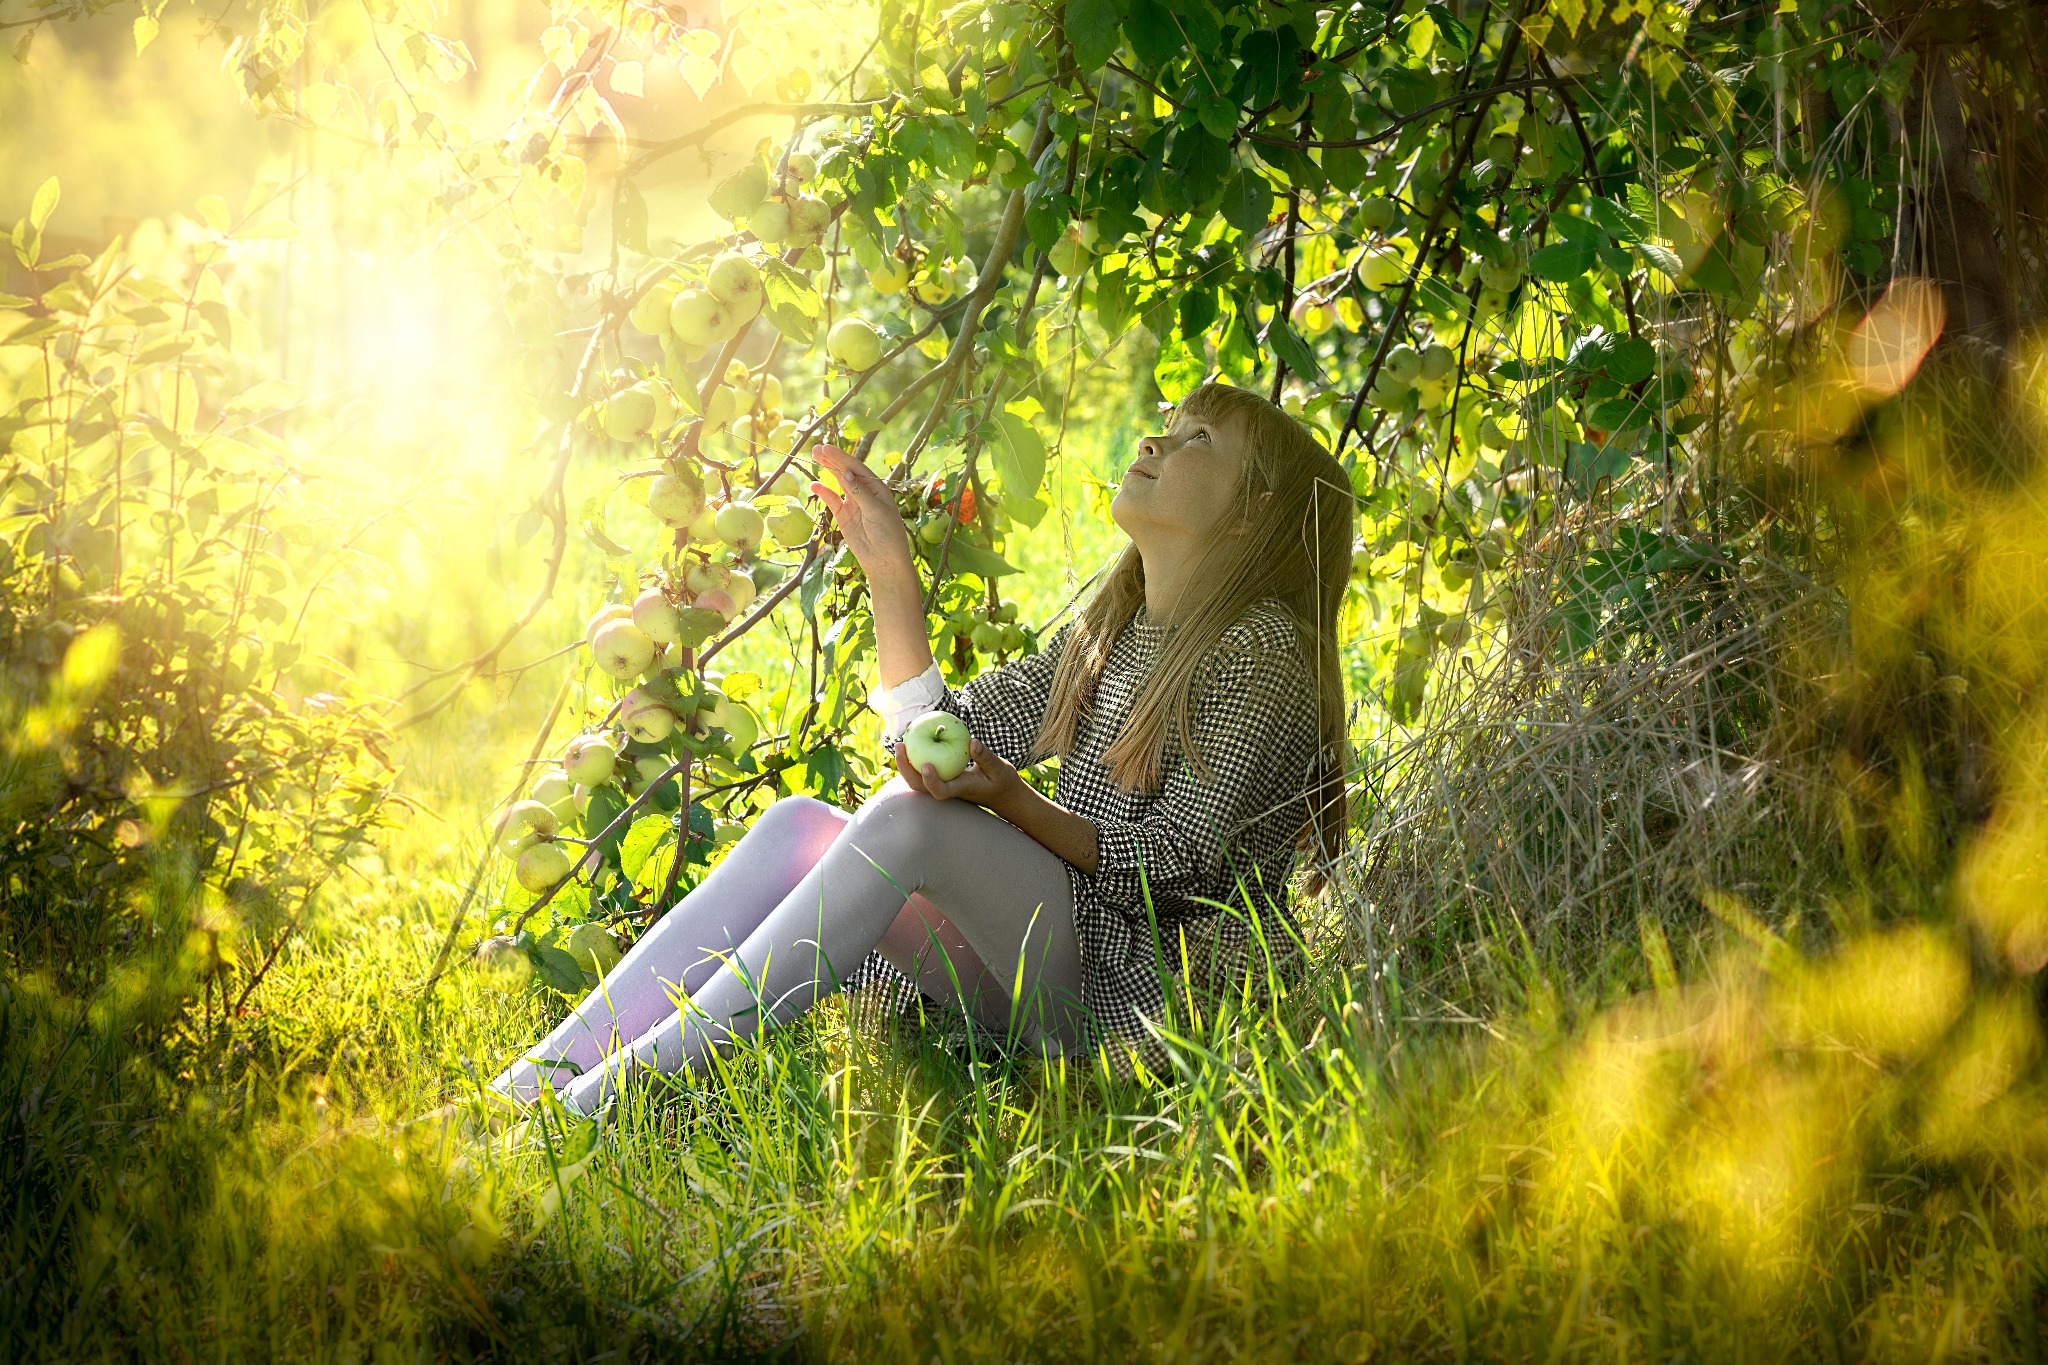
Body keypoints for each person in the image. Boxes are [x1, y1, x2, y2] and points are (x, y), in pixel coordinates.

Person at [486, 381, 1353, 1116]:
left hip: (1146, 995)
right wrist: (890, 576)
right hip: (1064, 955)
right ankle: (525, 1091)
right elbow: (939, 744)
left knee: (914, 828)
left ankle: (597, 1107)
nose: (1160, 438)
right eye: (1171, 419)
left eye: (1200, 438)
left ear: (1254, 513)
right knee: (798, 826)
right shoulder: (1118, 628)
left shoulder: (1264, 650)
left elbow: (1182, 867)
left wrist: (1008, 799)